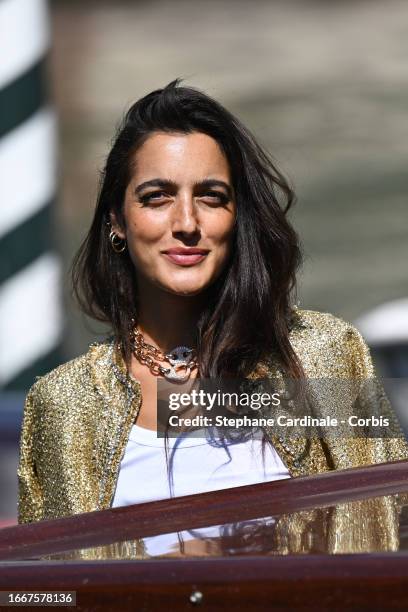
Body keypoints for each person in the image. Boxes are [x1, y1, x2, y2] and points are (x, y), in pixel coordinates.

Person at [17, 79, 408, 538]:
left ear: (236, 218)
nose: (186, 223)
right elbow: (43, 592)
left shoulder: (326, 353)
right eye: (157, 197)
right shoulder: (60, 404)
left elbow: (391, 539)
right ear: (117, 221)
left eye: (211, 196)